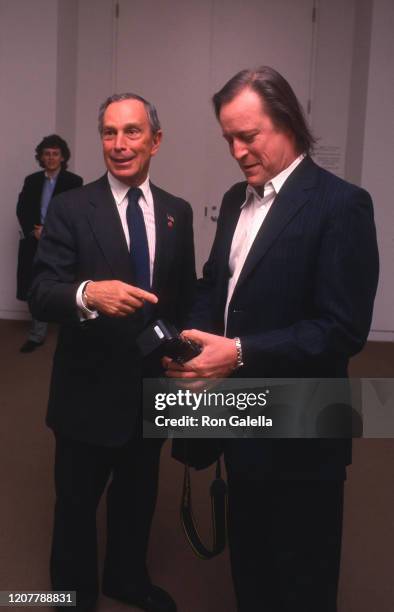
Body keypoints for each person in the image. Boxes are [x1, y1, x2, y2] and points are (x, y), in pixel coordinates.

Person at [165, 67, 379, 611]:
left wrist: (237, 352)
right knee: (253, 567)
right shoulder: (236, 199)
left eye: (248, 135)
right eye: (228, 138)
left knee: (302, 578)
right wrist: (191, 344)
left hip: (306, 430)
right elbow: (215, 285)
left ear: (287, 121)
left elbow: (343, 329)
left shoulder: (342, 204)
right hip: (242, 417)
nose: (237, 150)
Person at [29, 93, 195, 612]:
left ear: (156, 140)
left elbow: (181, 295)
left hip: (150, 391)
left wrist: (185, 352)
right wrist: (86, 293)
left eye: (132, 132)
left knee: (137, 499)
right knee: (76, 507)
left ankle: (126, 578)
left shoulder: (177, 212)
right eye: (108, 133)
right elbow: (40, 291)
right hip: (87, 391)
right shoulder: (71, 207)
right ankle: (71, 597)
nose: (119, 145)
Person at [16, 134, 83, 352]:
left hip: (61, 240)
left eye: (55, 154)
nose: (51, 158)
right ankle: (37, 335)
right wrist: (32, 230)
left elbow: (74, 213)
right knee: (35, 284)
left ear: (63, 157)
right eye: (47, 154)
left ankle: (68, 331)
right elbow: (22, 209)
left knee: (63, 283)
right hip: (33, 239)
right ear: (41, 157)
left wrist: (50, 231)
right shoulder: (32, 180)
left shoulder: (74, 182)